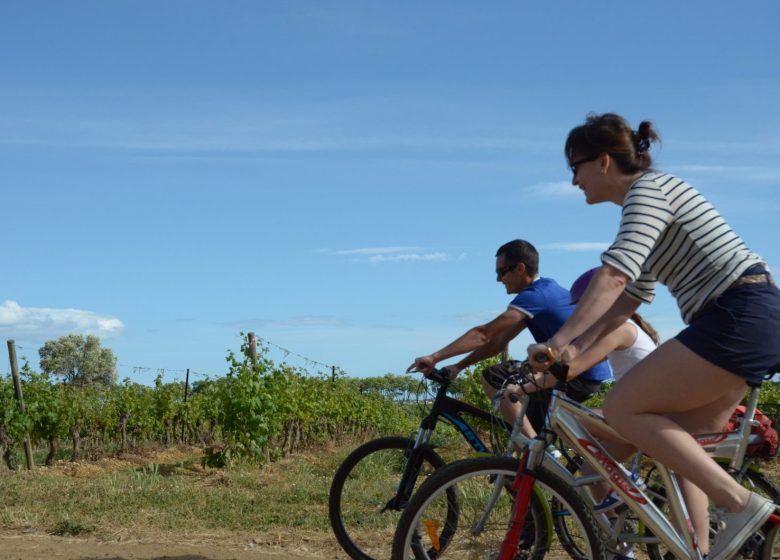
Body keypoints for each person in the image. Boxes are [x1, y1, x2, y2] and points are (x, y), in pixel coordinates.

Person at [528, 112, 780, 558]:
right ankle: (701, 550)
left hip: (738, 313)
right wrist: (575, 349)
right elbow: (629, 302)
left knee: (621, 406)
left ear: (603, 161)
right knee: (678, 444)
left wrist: (558, 341)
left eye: (575, 168)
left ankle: (740, 504)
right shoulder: (650, 200)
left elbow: (614, 277)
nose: (573, 182)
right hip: (750, 316)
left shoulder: (649, 191)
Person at [407, 239, 611, 436]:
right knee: (530, 422)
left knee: (494, 378)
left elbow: (483, 334)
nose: (498, 279)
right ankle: (535, 454)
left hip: (574, 372)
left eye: (501, 272)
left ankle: (531, 447)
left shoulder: (535, 296)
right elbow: (497, 342)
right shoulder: (544, 291)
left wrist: (435, 357)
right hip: (580, 372)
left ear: (520, 268)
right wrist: (459, 366)